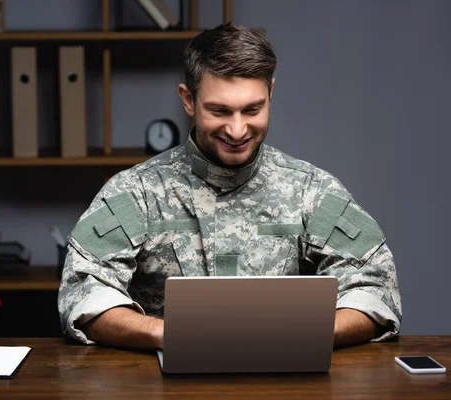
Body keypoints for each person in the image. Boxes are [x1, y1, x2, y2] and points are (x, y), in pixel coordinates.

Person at [58, 23, 402, 350]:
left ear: (271, 93)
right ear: (188, 100)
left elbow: (375, 288)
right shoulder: (137, 193)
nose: (237, 130)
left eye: (252, 109)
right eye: (219, 111)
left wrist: (299, 335)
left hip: (287, 378)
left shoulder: (310, 190)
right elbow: (84, 294)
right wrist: (174, 334)